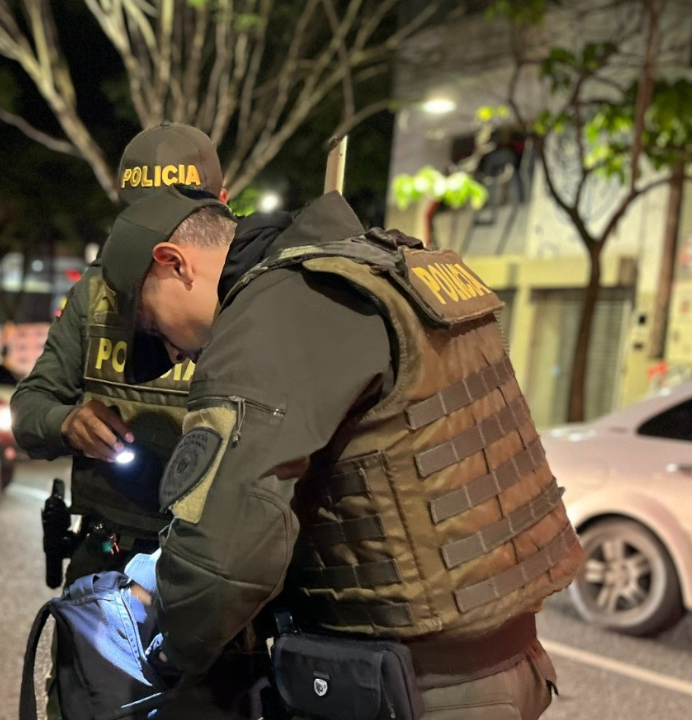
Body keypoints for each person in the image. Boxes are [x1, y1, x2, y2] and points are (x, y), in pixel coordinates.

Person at [98, 186, 584, 718]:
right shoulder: (390, 266)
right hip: (510, 660)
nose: (177, 354)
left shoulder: (277, 307)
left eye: (153, 326)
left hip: (415, 687)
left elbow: (228, 554)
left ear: (173, 264)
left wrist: (168, 642)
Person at [11, 123, 230, 584]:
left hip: (209, 561)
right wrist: (68, 424)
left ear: (220, 206)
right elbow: (30, 407)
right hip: (108, 550)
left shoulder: (257, 300)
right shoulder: (96, 292)